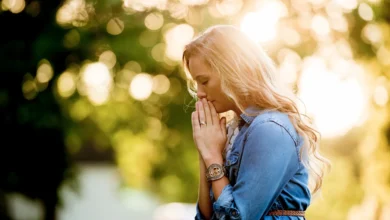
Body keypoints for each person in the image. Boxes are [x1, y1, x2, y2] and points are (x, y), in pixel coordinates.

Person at [181, 25, 331, 220]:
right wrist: (206, 150)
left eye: (204, 81)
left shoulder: (270, 129)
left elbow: (238, 217)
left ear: (231, 71)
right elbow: (206, 217)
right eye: (196, 83)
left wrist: (212, 157)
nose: (199, 93)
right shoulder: (233, 131)